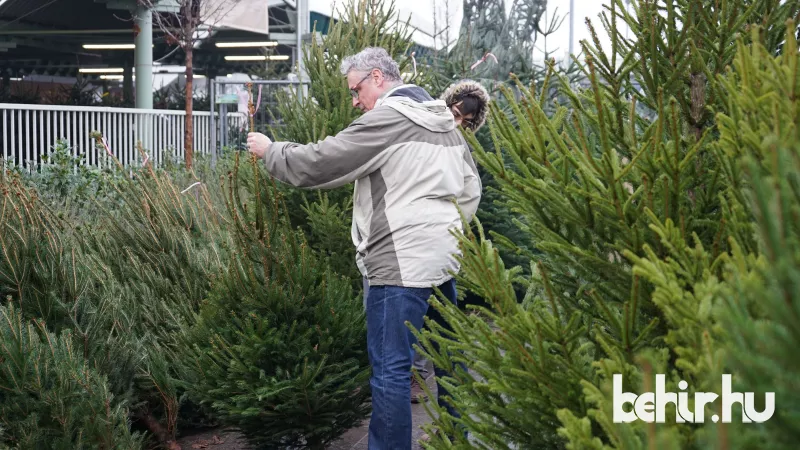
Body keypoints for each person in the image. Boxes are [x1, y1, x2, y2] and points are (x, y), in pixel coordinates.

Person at [247, 47, 482, 450]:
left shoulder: (389, 118)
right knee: (450, 362)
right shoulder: (444, 120)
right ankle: (457, 441)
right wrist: (442, 232)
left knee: (391, 370)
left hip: (398, 264)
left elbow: (323, 161)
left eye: (356, 90)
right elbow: (470, 188)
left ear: (377, 77)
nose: (355, 101)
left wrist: (272, 152)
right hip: (444, 260)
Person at [408, 78, 491, 404]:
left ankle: (453, 415)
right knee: (421, 321)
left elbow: (470, 194)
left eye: (466, 121)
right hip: (419, 245)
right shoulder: (423, 132)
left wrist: (451, 226)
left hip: (438, 248)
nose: (457, 123)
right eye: (455, 113)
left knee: (443, 327)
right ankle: (418, 378)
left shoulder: (460, 147)